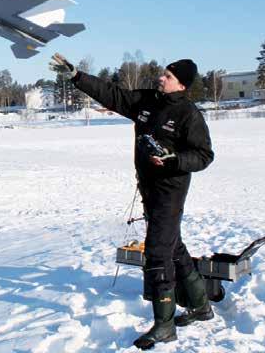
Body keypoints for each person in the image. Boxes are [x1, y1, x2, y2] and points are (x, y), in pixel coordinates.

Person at [49, 53, 215, 350]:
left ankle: (165, 326)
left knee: (157, 252)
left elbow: (204, 155)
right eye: (163, 74)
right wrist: (77, 76)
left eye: (168, 76)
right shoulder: (147, 101)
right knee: (173, 245)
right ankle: (201, 306)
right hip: (148, 186)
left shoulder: (190, 114)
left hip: (170, 189)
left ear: (181, 85)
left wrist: (175, 159)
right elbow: (113, 95)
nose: (161, 78)